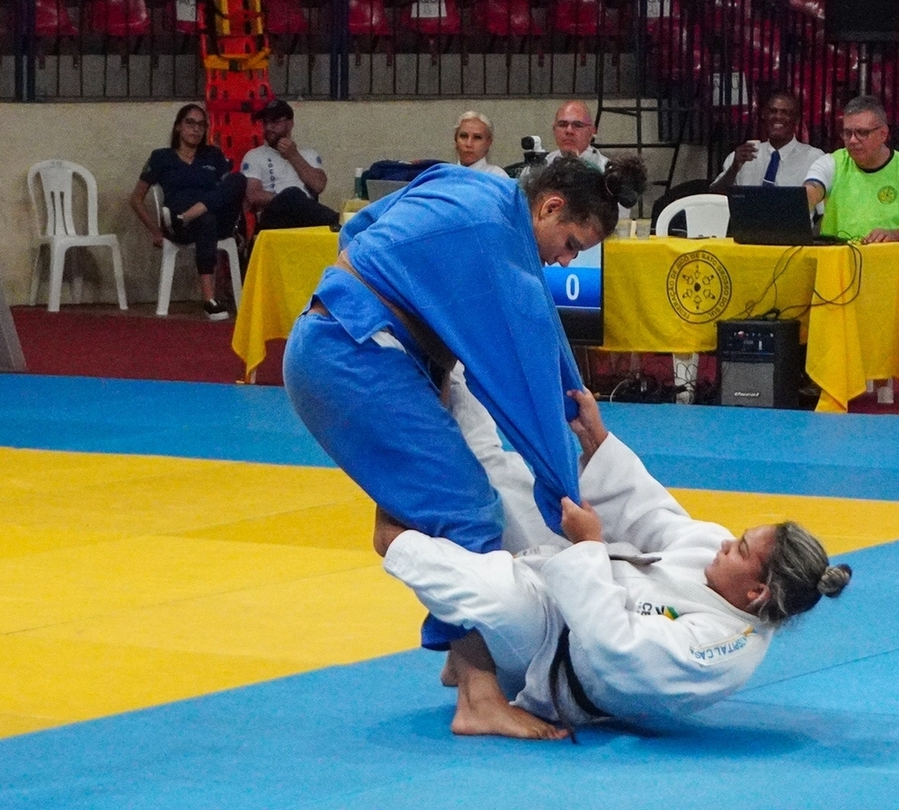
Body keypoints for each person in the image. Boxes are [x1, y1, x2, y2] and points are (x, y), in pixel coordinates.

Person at [284, 156, 647, 732]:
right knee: (468, 512)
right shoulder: (497, 245)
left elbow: (359, 231)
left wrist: (402, 314)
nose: (567, 259)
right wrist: (566, 495)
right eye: (571, 242)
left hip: (341, 340)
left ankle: (459, 655)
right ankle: (478, 697)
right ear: (550, 206)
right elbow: (525, 390)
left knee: (447, 504)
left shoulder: (471, 185)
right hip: (356, 357)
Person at [380, 377, 852, 739]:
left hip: (548, 657)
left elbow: (612, 647)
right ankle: (449, 365)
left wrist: (588, 548)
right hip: (569, 578)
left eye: (741, 550)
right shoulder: (712, 552)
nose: (726, 544)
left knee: (493, 589)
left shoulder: (722, 651)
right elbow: (651, 513)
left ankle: (397, 543)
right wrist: (597, 440)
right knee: (503, 477)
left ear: (757, 592)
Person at [128, 103, 247, 321]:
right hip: (181, 226)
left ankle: (195, 211)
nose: (196, 129)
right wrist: (156, 231)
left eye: (201, 125)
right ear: (178, 128)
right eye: (190, 123)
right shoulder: (161, 157)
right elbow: (136, 198)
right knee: (206, 219)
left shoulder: (213, 155)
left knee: (239, 180)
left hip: (218, 220)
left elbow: (227, 191)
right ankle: (209, 299)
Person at [804, 95, 899, 279]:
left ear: (883, 134)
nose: (853, 140)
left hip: (890, 269)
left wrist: (894, 235)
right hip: (835, 265)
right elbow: (812, 189)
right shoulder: (831, 163)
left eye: (862, 133)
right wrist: (807, 197)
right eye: (847, 133)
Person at [240, 99, 340, 230]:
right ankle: (337, 221)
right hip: (273, 217)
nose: (269, 127)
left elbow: (319, 185)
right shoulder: (254, 156)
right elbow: (253, 195)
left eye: (275, 122)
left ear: (290, 124)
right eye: (265, 122)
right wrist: (284, 199)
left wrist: (293, 156)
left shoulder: (308, 154)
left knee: (295, 195)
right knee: (292, 194)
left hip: (306, 218)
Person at [522, 101, 629, 217]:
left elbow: (619, 221)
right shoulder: (537, 169)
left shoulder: (608, 173)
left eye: (578, 125)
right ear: (554, 130)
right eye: (562, 125)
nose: (569, 131)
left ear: (592, 132)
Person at [709, 90, 826, 193]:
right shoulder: (743, 155)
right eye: (773, 111)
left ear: (796, 119)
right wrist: (734, 168)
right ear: (764, 115)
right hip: (750, 218)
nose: (778, 116)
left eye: (785, 113)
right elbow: (715, 195)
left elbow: (824, 208)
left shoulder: (814, 158)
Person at [453, 111, 510, 178]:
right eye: (464, 136)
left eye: (477, 137)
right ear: (456, 139)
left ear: (488, 143)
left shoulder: (498, 176)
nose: (469, 144)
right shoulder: (444, 175)